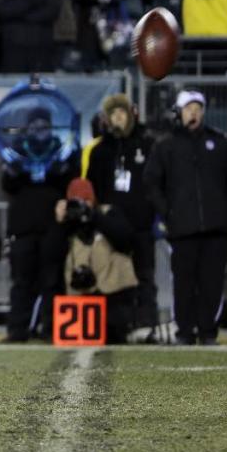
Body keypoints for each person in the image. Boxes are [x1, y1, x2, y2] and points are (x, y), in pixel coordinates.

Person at [144, 91, 227, 346]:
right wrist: (168, 213)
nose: (193, 113)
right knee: (183, 282)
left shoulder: (220, 143)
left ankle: (208, 332)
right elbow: (151, 183)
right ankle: (184, 331)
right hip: (182, 227)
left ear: (204, 112)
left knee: (212, 283)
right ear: (179, 112)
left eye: (197, 108)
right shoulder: (166, 145)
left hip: (217, 227)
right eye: (188, 108)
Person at [1, 107, 79, 341]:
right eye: (34, 124)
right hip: (23, 226)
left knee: (52, 280)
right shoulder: (17, 151)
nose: (39, 129)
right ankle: (17, 330)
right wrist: (15, 172)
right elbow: (8, 185)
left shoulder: (61, 150)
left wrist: (60, 171)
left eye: (43, 124)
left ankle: (51, 329)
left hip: (53, 226)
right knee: (22, 281)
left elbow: (70, 182)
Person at [86, 94, 158, 340]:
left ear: (130, 114)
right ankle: (116, 329)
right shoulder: (99, 152)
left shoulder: (147, 145)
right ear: (106, 119)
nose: (118, 117)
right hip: (111, 230)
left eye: (122, 112)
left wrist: (151, 212)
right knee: (113, 278)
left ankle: (147, 326)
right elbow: (92, 189)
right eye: (113, 113)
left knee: (145, 275)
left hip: (140, 225)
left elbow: (156, 183)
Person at [42, 178, 138, 343]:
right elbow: (49, 256)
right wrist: (60, 223)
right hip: (77, 297)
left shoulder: (108, 213)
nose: (81, 207)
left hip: (111, 293)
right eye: (76, 202)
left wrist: (94, 216)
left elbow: (126, 241)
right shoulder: (66, 223)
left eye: (85, 201)